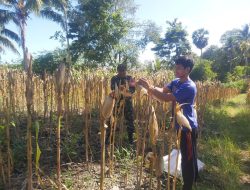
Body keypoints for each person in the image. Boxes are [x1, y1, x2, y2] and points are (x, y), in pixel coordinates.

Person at [138, 56, 198, 190]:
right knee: (189, 154)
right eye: (175, 67)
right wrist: (150, 88)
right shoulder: (176, 82)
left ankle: (188, 186)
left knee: (187, 159)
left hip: (187, 128)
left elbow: (166, 98)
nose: (176, 70)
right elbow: (163, 90)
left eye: (179, 68)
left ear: (187, 69)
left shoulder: (189, 86)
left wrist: (149, 88)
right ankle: (194, 178)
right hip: (179, 125)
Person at [107, 64, 135, 144]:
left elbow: (133, 90)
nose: (122, 73)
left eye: (123, 71)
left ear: (125, 70)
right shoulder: (114, 78)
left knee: (130, 120)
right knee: (112, 119)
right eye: (120, 71)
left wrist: (126, 90)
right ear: (118, 71)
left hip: (127, 102)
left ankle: (130, 139)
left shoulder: (130, 78)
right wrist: (121, 89)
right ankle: (109, 137)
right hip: (117, 102)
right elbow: (113, 88)